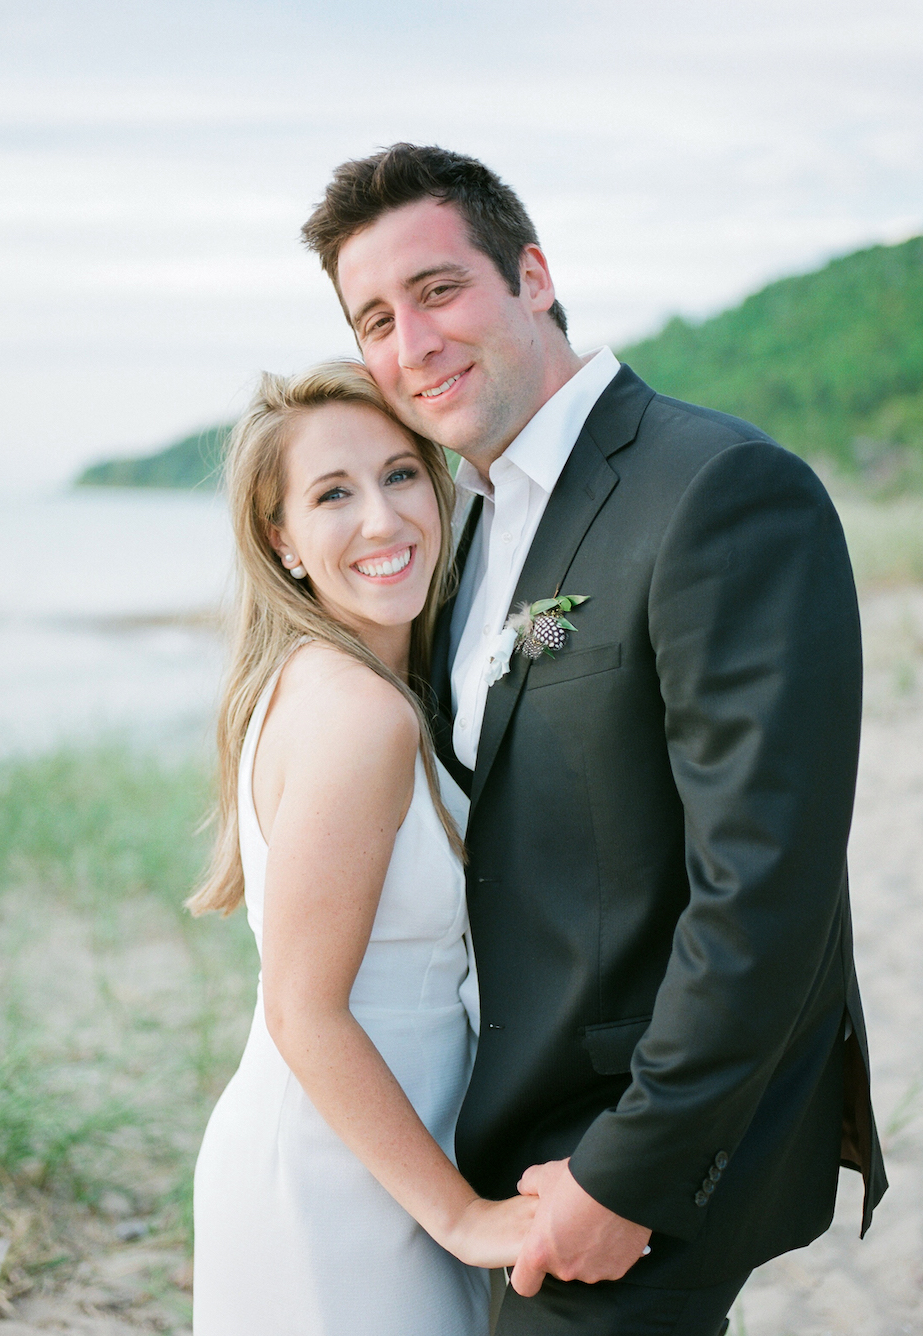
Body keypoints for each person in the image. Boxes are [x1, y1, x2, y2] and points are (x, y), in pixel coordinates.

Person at [300, 144, 888, 1335]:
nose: (411, 344)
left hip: (626, 1150)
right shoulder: (457, 531)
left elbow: (765, 886)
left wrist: (630, 1170)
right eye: (374, 318)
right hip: (490, 1130)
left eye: (438, 290)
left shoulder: (718, 490)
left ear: (531, 274)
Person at [188, 361, 535, 1336]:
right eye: (332, 494)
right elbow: (304, 1008)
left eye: (400, 474)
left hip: (373, 1158)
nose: (382, 520)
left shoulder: (331, 681)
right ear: (282, 539)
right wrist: (464, 1217)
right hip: (333, 1188)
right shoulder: (355, 715)